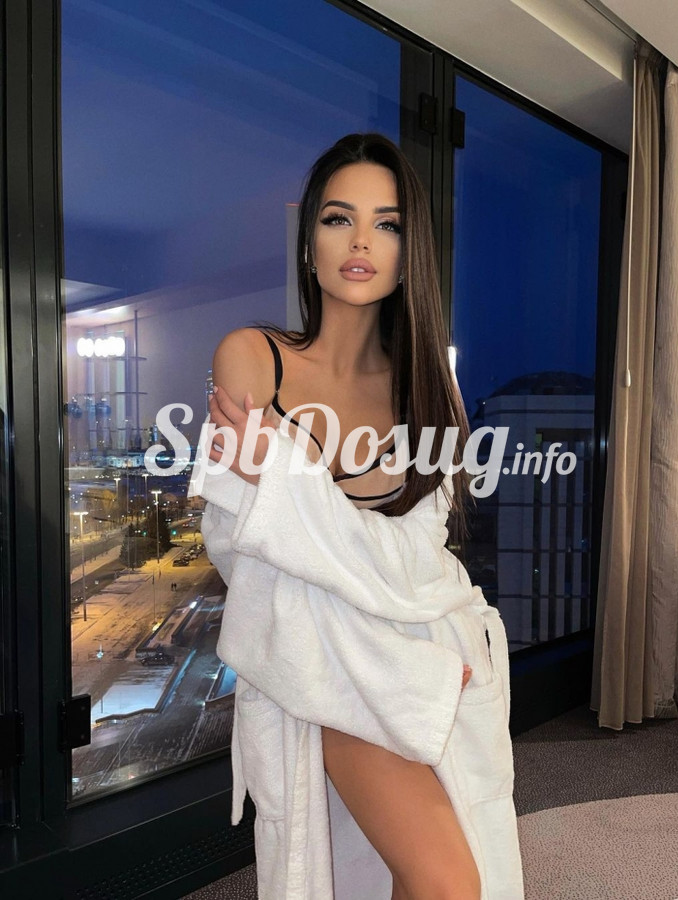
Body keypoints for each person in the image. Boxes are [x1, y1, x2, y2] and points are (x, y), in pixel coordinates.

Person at [200, 133, 524, 899]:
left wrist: (284, 480)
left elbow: (421, 556)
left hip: (425, 651)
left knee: (440, 863)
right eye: (338, 218)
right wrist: (292, 504)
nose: (359, 242)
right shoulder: (253, 357)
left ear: (409, 254)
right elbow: (247, 559)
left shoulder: (427, 390)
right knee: (446, 881)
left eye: (387, 224)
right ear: (308, 239)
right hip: (329, 663)